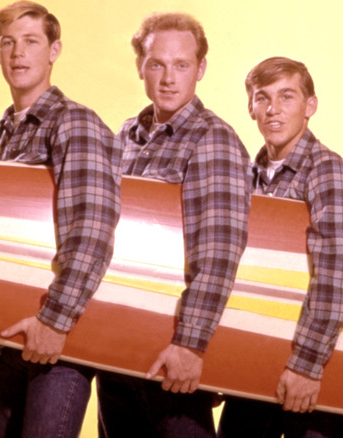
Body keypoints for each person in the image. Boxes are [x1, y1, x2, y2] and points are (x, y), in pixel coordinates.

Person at [0, 2, 122, 437]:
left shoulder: (75, 124)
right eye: (7, 42)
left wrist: (55, 321)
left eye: (31, 41)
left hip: (57, 345)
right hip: (1, 343)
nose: (18, 53)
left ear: (54, 50)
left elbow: (93, 230)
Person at [95, 12, 251, 438]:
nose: (168, 78)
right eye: (157, 64)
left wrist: (191, 344)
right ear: (140, 68)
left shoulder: (213, 139)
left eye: (181, 65)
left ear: (200, 69)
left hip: (173, 350)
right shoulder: (124, 137)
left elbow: (219, 253)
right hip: (118, 349)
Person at [217, 56, 343, 438]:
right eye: (262, 98)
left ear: (310, 106)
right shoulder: (247, 175)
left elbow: (339, 272)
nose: (273, 109)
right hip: (253, 367)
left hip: (307, 373)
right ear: (250, 107)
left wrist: (306, 364)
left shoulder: (328, 172)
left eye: (287, 97)